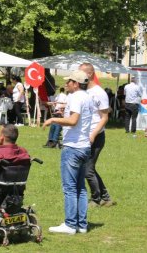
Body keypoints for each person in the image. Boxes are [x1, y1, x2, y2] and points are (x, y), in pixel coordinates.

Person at [43, 70, 93, 235]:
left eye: (69, 81)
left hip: (73, 147)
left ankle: (70, 224)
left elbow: (73, 120)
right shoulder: (87, 97)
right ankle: (82, 225)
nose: (66, 84)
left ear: (76, 83)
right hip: (85, 147)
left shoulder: (76, 97)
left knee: (70, 188)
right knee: (81, 187)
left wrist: (53, 119)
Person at [79, 63, 115, 208]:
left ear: (89, 74)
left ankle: (96, 199)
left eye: (80, 73)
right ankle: (105, 197)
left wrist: (93, 134)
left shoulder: (99, 93)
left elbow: (104, 118)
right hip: (86, 135)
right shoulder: (85, 92)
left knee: (87, 170)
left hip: (96, 136)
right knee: (89, 168)